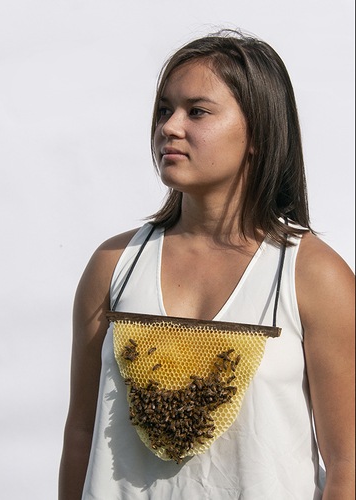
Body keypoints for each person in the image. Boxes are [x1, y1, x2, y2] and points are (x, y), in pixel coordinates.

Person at [59, 30, 355, 499]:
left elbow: (347, 464)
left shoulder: (313, 276)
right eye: (163, 109)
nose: (169, 127)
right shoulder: (115, 266)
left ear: (257, 132)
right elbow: (81, 432)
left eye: (197, 111)